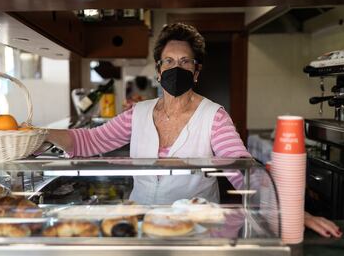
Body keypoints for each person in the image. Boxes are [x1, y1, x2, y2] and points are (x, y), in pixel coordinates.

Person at [46, 23, 341, 237]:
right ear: (159, 71)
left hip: (197, 231)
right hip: (141, 227)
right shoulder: (138, 114)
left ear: (196, 72)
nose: (177, 68)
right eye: (169, 62)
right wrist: (39, 134)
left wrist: (294, 213)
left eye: (185, 62)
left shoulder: (214, 117)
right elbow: (87, 141)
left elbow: (244, 172)